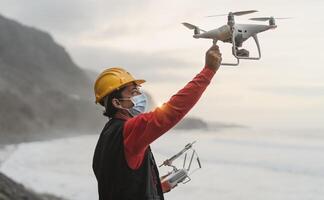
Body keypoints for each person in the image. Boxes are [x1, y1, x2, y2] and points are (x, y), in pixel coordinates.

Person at [92, 44, 222, 200]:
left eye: (138, 90)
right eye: (133, 92)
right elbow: (174, 110)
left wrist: (156, 188)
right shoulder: (129, 130)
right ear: (117, 103)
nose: (140, 95)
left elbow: (120, 185)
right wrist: (208, 71)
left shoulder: (106, 135)